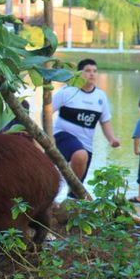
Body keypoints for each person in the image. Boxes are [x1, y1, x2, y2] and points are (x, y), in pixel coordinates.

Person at [53, 59, 120, 197]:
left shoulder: (100, 96)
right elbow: (47, 111)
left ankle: (67, 203)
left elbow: (105, 121)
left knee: (77, 191)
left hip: (86, 145)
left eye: (95, 71)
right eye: (88, 71)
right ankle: (57, 189)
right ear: (79, 73)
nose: (92, 74)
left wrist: (111, 139)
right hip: (62, 136)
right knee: (80, 154)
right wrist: (46, 136)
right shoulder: (67, 91)